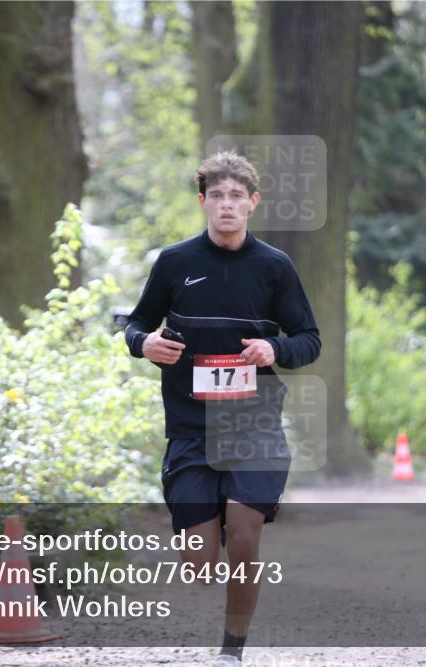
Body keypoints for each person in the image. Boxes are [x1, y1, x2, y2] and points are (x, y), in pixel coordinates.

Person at [124, 151, 321, 666]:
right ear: (203, 202)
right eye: (217, 196)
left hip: (253, 422)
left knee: (244, 536)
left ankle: (231, 652)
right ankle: (204, 534)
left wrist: (275, 350)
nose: (226, 205)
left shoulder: (274, 267)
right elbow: (135, 324)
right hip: (190, 425)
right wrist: (144, 344)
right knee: (198, 564)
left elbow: (309, 339)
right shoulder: (174, 262)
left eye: (237, 196)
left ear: (253, 203)